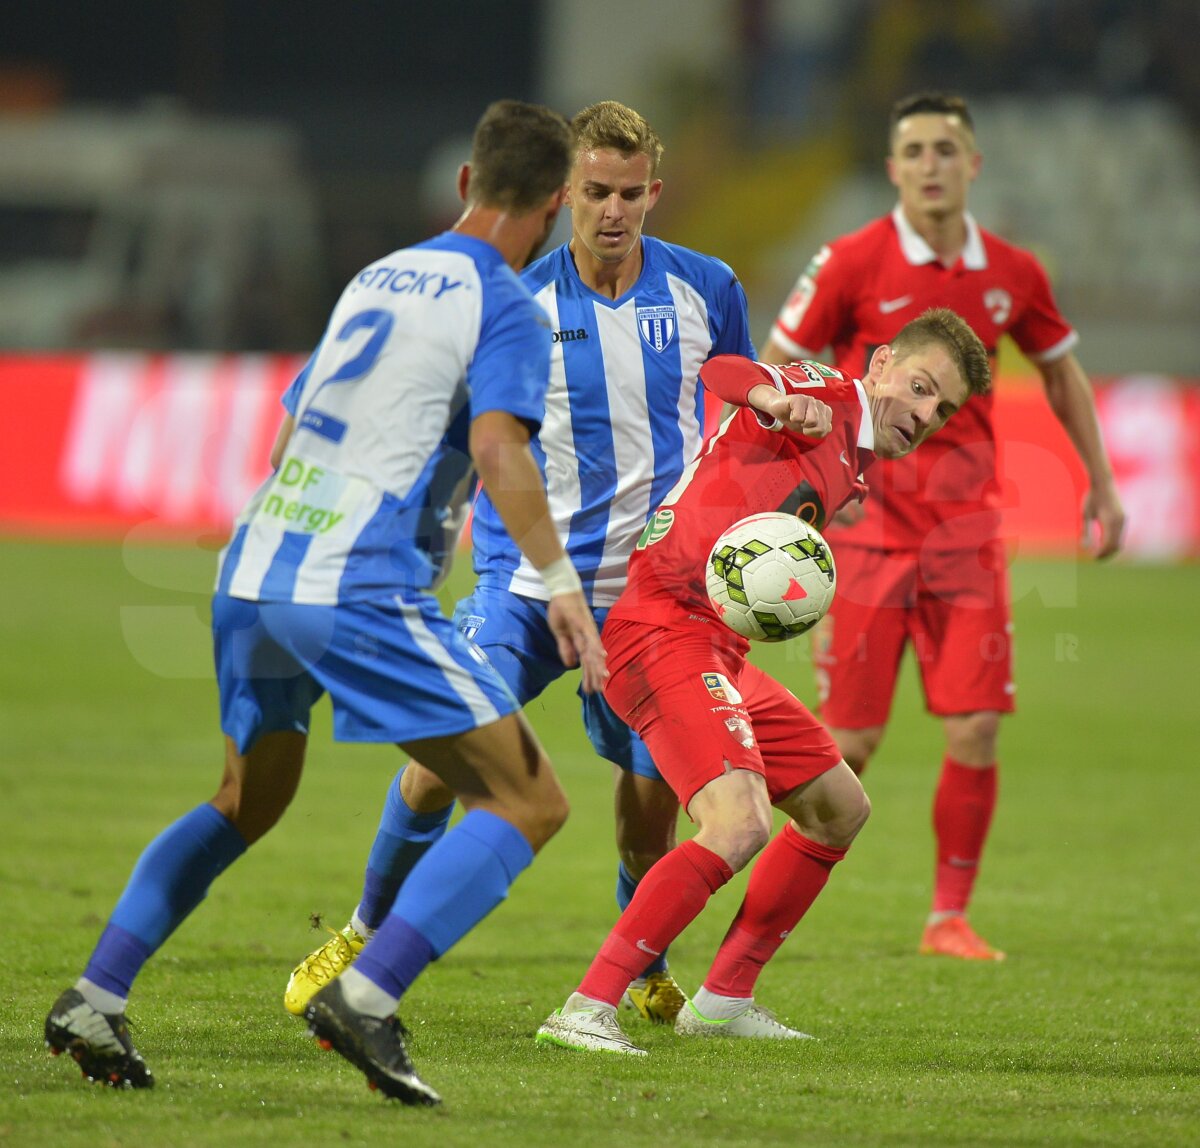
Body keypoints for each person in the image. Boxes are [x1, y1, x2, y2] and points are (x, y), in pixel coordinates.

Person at [43, 99, 603, 1106]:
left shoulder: (378, 274)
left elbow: (291, 422)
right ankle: (371, 991)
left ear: (467, 183)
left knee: (246, 798)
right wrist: (558, 583)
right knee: (528, 798)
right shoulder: (506, 304)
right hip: (355, 581)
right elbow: (498, 449)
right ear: (560, 203)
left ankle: (96, 991)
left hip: (255, 567)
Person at [282, 99, 755, 1029]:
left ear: (654, 192)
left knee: (650, 788)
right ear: (562, 193)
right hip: (527, 587)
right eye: (593, 192)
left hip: (653, 596)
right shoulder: (516, 304)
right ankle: (364, 930)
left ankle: (644, 955)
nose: (612, 212)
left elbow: (737, 413)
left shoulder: (709, 289)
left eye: (629, 193)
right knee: (442, 750)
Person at [537, 308, 992, 1054]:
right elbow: (726, 374)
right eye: (918, 387)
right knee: (738, 824)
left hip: (718, 651)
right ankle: (585, 1007)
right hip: (662, 629)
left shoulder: (853, 459)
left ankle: (723, 1000)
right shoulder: (830, 395)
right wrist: (774, 401)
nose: (924, 413)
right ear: (880, 365)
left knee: (839, 808)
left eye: (941, 408)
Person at [763, 91, 1126, 961]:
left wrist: (1102, 485)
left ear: (973, 164)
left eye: (945, 149)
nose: (931, 164)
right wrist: (804, 465)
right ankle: (746, 866)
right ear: (892, 169)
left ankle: (947, 918)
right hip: (866, 534)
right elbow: (777, 367)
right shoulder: (851, 261)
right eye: (915, 150)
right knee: (850, 743)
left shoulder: (1013, 272)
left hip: (966, 541)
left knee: (975, 725)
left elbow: (1064, 374)